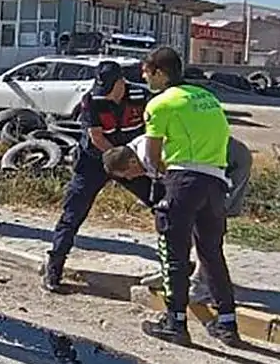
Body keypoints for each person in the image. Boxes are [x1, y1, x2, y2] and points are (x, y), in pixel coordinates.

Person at [137, 46, 240, 346]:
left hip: (183, 181)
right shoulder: (206, 97)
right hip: (216, 181)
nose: (144, 77)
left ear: (159, 72)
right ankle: (227, 323)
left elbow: (153, 153)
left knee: (174, 252)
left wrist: (158, 175)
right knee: (211, 253)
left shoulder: (160, 104)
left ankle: (175, 322)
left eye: (146, 72)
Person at [42, 61, 151, 293]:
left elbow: (153, 129)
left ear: (121, 83)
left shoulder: (141, 96)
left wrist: (139, 163)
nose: (106, 94)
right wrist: (118, 159)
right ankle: (54, 266)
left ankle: (176, 265)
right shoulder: (92, 100)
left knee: (161, 201)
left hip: (130, 160)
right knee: (73, 212)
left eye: (110, 88)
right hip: (94, 161)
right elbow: (96, 138)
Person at [103, 134, 252, 303]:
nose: (130, 179)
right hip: (205, 165)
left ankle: (201, 283)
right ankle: (173, 273)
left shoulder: (152, 155)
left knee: (208, 225)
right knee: (182, 221)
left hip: (231, 162)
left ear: (131, 162)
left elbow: (180, 184)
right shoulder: (138, 150)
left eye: (127, 174)